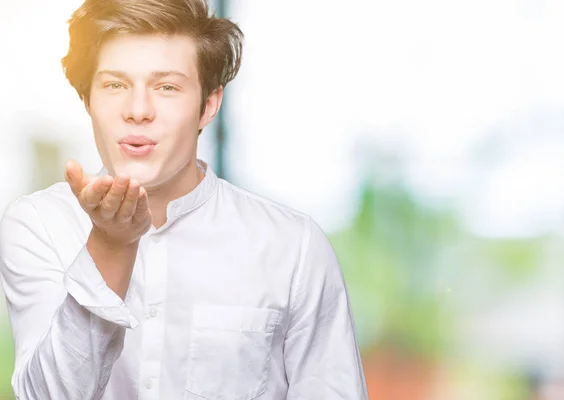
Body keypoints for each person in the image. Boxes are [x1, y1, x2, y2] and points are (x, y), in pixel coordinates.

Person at [0, 0, 368, 399]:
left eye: (167, 87)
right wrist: (109, 246)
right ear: (88, 100)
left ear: (208, 105)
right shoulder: (37, 224)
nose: (138, 110)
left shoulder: (292, 247)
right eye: (115, 85)